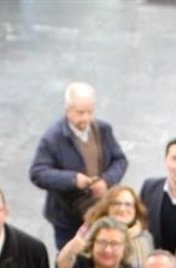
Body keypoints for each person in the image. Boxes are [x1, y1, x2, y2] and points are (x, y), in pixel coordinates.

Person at [29, 81, 127, 249]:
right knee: (71, 259)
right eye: (80, 113)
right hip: (67, 218)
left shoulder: (103, 130)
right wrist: (73, 180)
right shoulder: (53, 138)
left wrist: (106, 181)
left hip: (100, 211)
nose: (86, 118)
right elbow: (38, 173)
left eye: (90, 112)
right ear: (67, 110)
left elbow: (120, 160)